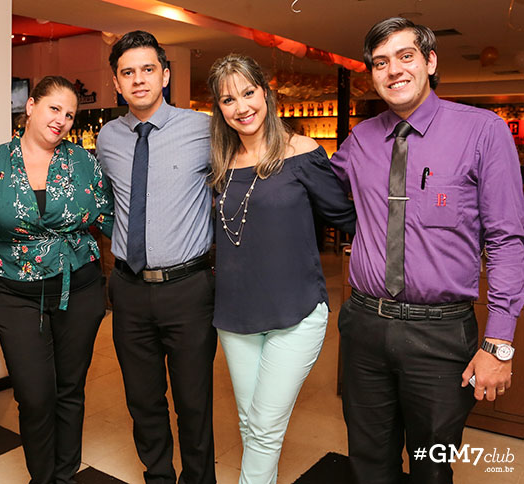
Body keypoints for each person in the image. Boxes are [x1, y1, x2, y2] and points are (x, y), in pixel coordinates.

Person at [330, 17, 524, 483]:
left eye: (405, 56)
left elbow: (506, 240)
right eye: (380, 62)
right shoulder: (360, 139)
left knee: (431, 468)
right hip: (365, 327)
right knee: (368, 464)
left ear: (430, 61)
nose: (393, 70)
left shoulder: (483, 131)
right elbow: (318, 193)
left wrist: (499, 344)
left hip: (441, 335)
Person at [207, 54, 356, 484]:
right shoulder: (221, 162)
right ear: (220, 108)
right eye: (228, 100)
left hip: (296, 312)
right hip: (236, 317)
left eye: (248, 93)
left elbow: (348, 218)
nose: (241, 107)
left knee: (264, 429)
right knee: (251, 424)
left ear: (266, 93)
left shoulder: (301, 153)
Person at [0, 75, 114, 484]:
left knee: (70, 390)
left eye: (70, 115)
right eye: (54, 108)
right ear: (30, 106)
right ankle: (42, 477)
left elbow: (111, 218)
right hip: (14, 294)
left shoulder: (83, 162)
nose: (62, 120)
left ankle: (63, 475)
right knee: (34, 396)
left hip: (79, 289)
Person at [95, 31, 217, 484]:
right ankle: (159, 477)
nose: (139, 79)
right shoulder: (108, 137)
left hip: (188, 289)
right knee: (143, 401)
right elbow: (106, 202)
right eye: (128, 72)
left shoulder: (204, 128)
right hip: (128, 290)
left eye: (148, 69)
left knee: (194, 402)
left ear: (165, 75)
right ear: (116, 83)